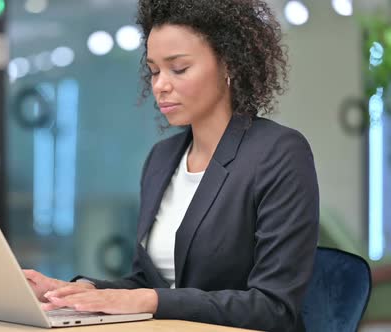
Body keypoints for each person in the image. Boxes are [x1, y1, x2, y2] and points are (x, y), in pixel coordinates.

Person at [24, 0, 319, 331]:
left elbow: (273, 307)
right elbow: (146, 282)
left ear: (228, 64)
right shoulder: (161, 159)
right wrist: (78, 291)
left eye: (178, 69)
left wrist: (151, 300)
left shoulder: (278, 153)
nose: (160, 85)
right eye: (154, 70)